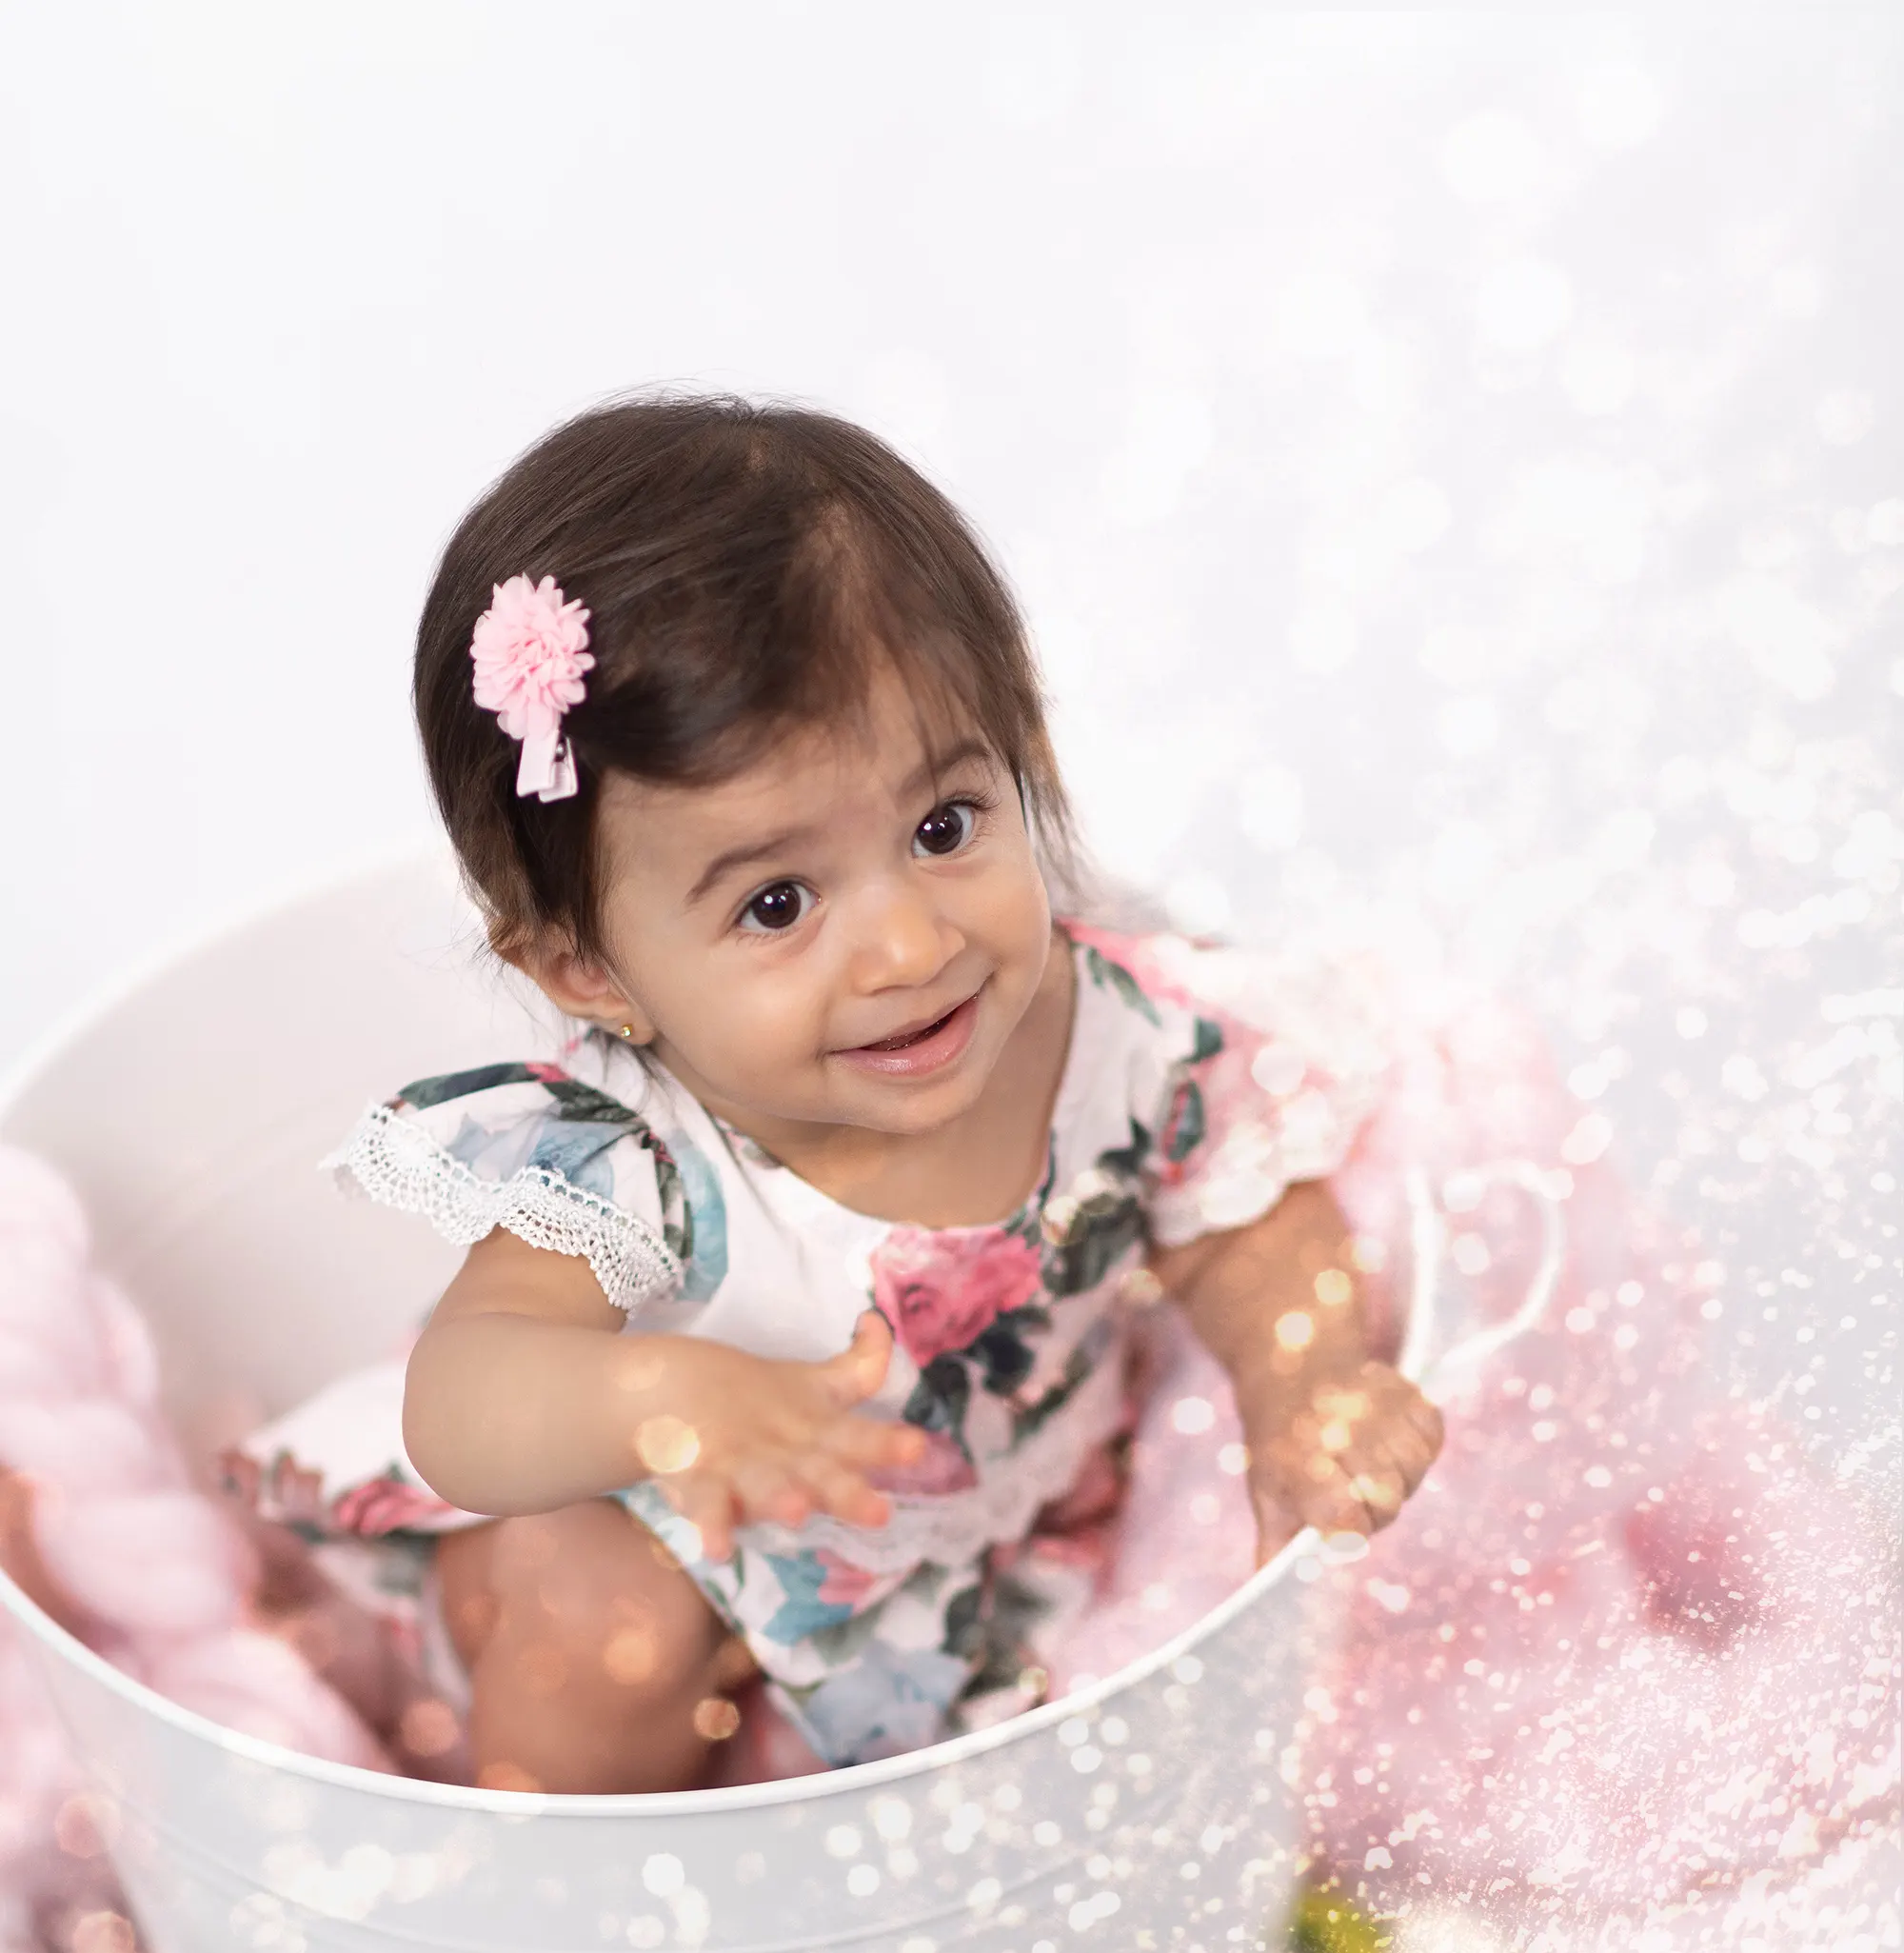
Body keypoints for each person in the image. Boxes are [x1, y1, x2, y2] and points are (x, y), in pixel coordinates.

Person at [307, 394, 1441, 1792]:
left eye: (943, 825)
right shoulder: (626, 1156)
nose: (911, 947)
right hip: (654, 1548)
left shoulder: (1111, 1031)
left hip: (934, 1589)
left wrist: (1304, 1376)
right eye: (778, 903)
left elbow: (1240, 1219)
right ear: (591, 967)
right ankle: (571, 1908)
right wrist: (659, 1396)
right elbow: (463, 1406)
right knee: (597, 1614)